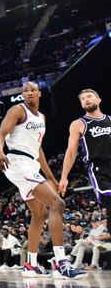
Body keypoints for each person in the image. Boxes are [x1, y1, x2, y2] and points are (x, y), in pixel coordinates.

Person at [0, 82, 85, 279]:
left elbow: (39, 150)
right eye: (25, 91)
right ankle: (61, 263)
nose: (28, 93)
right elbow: (1, 134)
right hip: (17, 161)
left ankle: (31, 265)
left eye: (32, 90)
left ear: (39, 93)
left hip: (30, 164)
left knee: (39, 213)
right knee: (57, 204)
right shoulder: (17, 110)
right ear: (22, 95)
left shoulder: (41, 117)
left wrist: (51, 178)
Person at [59, 89, 111, 218]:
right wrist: (64, 177)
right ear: (82, 104)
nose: (86, 99)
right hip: (98, 169)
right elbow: (71, 151)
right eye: (83, 99)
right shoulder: (78, 124)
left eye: (89, 96)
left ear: (99, 100)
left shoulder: (110, 119)